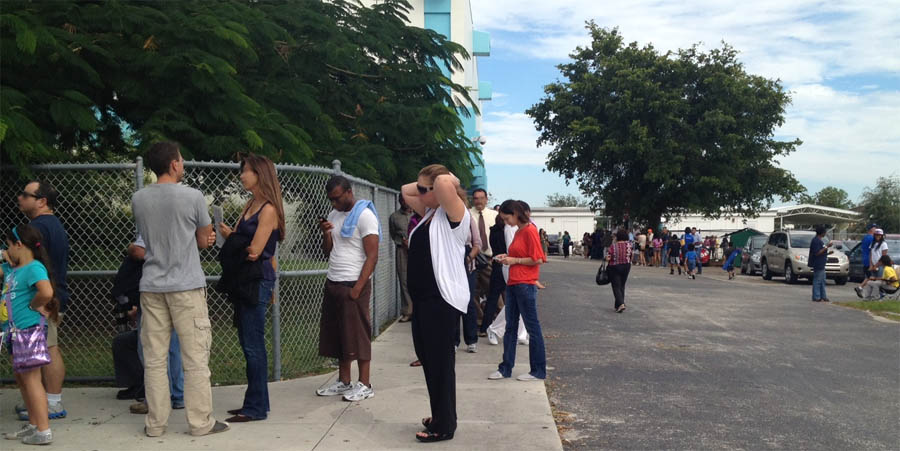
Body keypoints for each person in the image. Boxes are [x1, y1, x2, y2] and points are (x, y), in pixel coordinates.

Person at [131, 141, 227, 437]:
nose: (182, 164)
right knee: (195, 357)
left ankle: (155, 424)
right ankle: (200, 422)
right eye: (181, 160)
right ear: (174, 164)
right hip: (186, 285)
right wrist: (206, 238)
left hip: (151, 285)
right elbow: (203, 240)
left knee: (154, 359)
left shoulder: (139, 198)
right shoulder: (193, 196)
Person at [402, 164, 470, 443]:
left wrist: (449, 179)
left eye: (424, 189)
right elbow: (405, 191)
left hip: (441, 301)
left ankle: (444, 425)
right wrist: (423, 186)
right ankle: (440, 414)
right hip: (424, 301)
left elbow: (441, 182)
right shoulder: (430, 213)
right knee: (429, 360)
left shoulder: (455, 214)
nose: (418, 193)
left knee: (440, 363)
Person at [217, 154, 285, 422]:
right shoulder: (250, 204)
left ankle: (255, 408)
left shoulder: (268, 209)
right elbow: (241, 241)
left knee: (253, 345)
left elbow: (255, 250)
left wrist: (231, 238)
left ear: (260, 174)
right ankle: (257, 401)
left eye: (247, 171)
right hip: (244, 278)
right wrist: (233, 238)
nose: (242, 175)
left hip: (257, 279)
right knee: (248, 342)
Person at [315, 175, 379, 403]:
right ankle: (344, 381)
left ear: (349, 192)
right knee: (339, 335)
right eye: (331, 200)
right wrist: (326, 233)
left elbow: (372, 255)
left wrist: (357, 289)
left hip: (353, 283)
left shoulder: (364, 216)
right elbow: (327, 251)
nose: (334, 203)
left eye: (337, 198)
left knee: (358, 335)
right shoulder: (334, 215)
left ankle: (365, 384)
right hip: (334, 280)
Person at [1, 225, 60, 445]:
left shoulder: (34, 267)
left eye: (8, 245)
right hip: (14, 331)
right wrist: (3, 255)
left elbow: (46, 291)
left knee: (32, 379)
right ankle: (34, 425)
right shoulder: (12, 269)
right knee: (22, 378)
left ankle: (43, 431)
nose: (7, 250)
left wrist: (33, 305)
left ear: (19, 244)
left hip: (28, 330)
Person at [15, 181, 69, 421]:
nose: (19, 198)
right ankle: (42, 399)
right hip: (52, 295)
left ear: (42, 201)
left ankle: (53, 403)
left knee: (48, 348)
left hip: (44, 298)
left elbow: (22, 261)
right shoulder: (54, 225)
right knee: (46, 347)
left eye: (25, 195)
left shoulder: (36, 228)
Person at [121, 238, 185, 416]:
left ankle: (159, 398)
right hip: (176, 285)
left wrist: (131, 247)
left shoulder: (150, 223)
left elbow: (139, 250)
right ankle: (177, 394)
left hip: (155, 289)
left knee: (150, 347)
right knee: (173, 346)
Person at [489, 200, 547, 381]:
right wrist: (507, 257)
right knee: (510, 327)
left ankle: (538, 370)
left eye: (507, 218)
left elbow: (538, 259)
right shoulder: (519, 231)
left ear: (515, 214)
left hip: (525, 283)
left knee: (532, 328)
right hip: (514, 282)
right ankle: (505, 368)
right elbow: (522, 255)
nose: (506, 222)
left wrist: (514, 260)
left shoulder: (529, 230)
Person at [456, 210, 482, 352]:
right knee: (452, 302)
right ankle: (453, 341)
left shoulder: (468, 217)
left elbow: (477, 243)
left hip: (468, 262)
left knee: (468, 301)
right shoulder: (443, 217)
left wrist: (469, 258)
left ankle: (471, 340)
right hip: (451, 259)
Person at [389, 195, 413, 322]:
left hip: (417, 251)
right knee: (404, 280)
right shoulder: (394, 217)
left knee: (418, 279)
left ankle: (419, 309)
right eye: (402, 200)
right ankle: (408, 311)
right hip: (402, 250)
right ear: (399, 201)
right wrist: (401, 241)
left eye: (406, 199)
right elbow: (393, 233)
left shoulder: (417, 214)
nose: (405, 202)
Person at [607, 228, 633, 313]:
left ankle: (621, 304)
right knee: (622, 285)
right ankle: (617, 305)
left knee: (616, 286)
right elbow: (631, 256)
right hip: (626, 266)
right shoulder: (629, 245)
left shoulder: (613, 246)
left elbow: (609, 257)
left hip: (615, 266)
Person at [809, 226, 833, 302]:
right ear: (822, 233)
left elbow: (822, 252)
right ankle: (816, 297)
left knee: (822, 281)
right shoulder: (816, 241)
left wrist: (828, 253)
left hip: (821, 263)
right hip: (818, 263)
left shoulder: (820, 240)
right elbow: (817, 253)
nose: (825, 233)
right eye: (825, 232)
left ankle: (823, 296)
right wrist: (827, 246)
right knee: (817, 280)